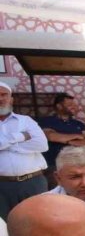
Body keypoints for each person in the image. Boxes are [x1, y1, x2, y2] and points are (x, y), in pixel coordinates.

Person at [0, 82, 48, 220]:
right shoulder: (24, 128)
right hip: (1, 185)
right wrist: (21, 136)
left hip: (33, 182)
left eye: (4, 95)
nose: (0, 99)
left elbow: (42, 145)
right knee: (4, 225)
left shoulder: (26, 121)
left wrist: (4, 144)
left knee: (39, 221)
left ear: (11, 99)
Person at [39, 93, 85, 188]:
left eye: (74, 105)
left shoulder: (78, 124)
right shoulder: (47, 121)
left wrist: (66, 140)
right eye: (70, 104)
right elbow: (51, 137)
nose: (74, 107)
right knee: (57, 193)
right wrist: (78, 136)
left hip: (79, 165)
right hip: (55, 166)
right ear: (59, 106)